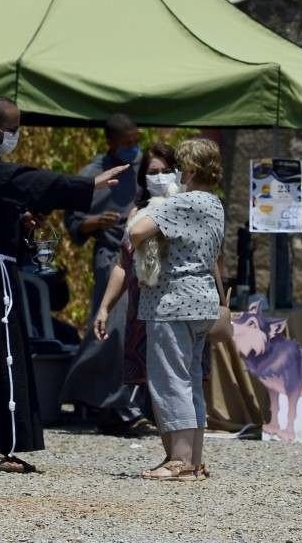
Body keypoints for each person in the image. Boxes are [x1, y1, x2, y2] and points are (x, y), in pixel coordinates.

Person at [0, 95, 127, 473]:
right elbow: (24, 179)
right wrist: (85, 185)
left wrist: (18, 221)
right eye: (12, 129)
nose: (16, 135)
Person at [128, 138, 225, 481]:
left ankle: (179, 461)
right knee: (191, 381)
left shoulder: (182, 203)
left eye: (180, 167)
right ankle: (193, 461)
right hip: (202, 302)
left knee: (171, 381)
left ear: (192, 170)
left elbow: (137, 231)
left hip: (172, 303)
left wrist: (144, 212)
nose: (177, 174)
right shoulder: (214, 203)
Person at [60, 114, 154, 436]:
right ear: (110, 143)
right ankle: (104, 400)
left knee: (139, 330)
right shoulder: (92, 175)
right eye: (127, 143)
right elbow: (73, 223)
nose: (133, 147)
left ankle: (120, 402)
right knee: (112, 329)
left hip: (147, 259)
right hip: (111, 257)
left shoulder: (146, 168)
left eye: (136, 141)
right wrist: (96, 222)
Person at [94, 143, 178, 457]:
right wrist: (105, 307)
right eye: (153, 172)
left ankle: (184, 456)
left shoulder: (187, 207)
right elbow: (122, 263)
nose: (160, 177)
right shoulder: (136, 214)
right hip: (143, 308)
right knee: (153, 384)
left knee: (177, 384)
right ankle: (172, 455)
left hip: (177, 307)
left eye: (166, 171)